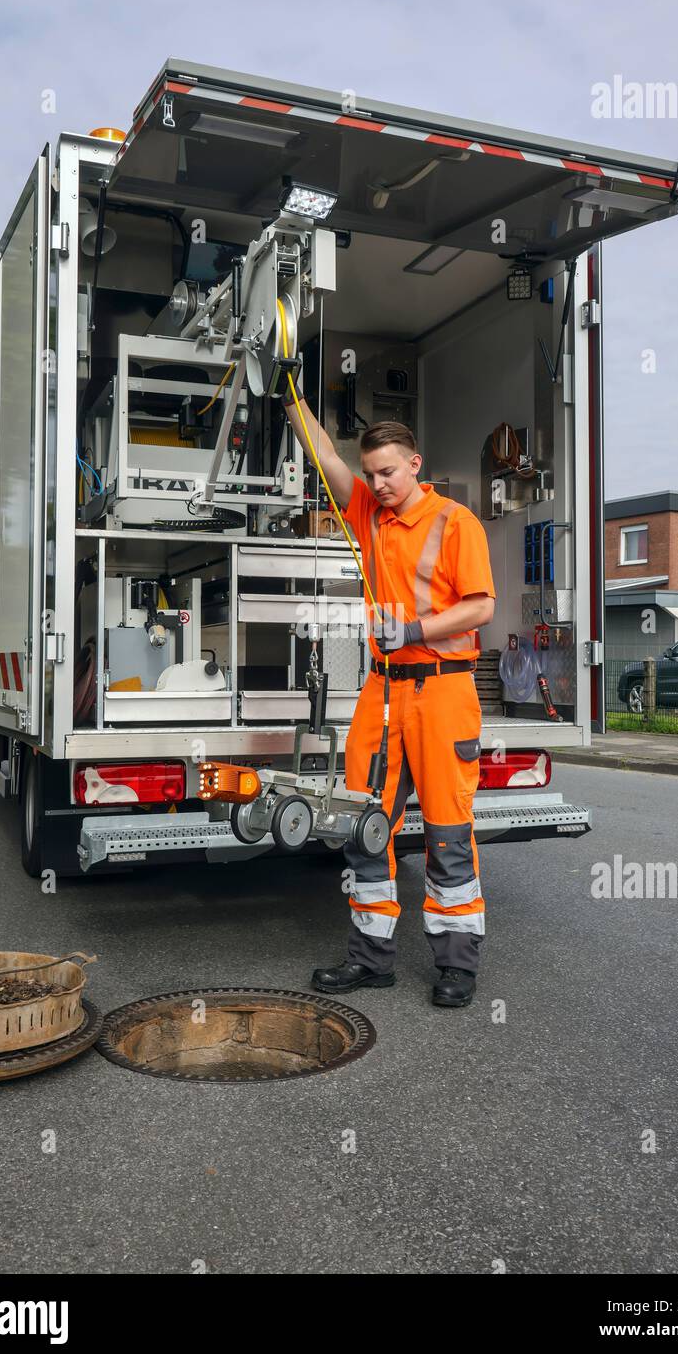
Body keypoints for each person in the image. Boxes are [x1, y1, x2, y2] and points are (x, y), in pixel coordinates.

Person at [282, 388, 496, 1008]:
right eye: (370, 474)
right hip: (383, 693)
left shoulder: (457, 523)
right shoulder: (369, 514)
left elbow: (483, 604)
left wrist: (415, 631)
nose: (376, 485)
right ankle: (371, 958)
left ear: (415, 465)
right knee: (362, 827)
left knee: (449, 833)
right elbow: (324, 455)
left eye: (388, 473)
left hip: (443, 691)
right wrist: (291, 394)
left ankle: (457, 966)